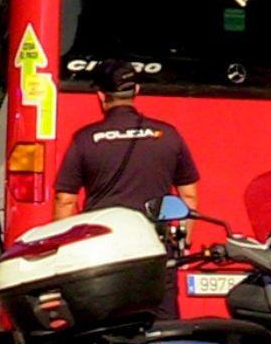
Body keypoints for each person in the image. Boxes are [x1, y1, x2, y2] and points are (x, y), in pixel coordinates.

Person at [52, 59, 199, 319]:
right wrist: (182, 241)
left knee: (105, 323)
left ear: (100, 96)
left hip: (103, 250)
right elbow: (188, 194)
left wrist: (62, 249)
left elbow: (65, 200)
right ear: (137, 91)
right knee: (163, 323)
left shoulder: (86, 139)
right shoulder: (167, 135)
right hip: (155, 247)